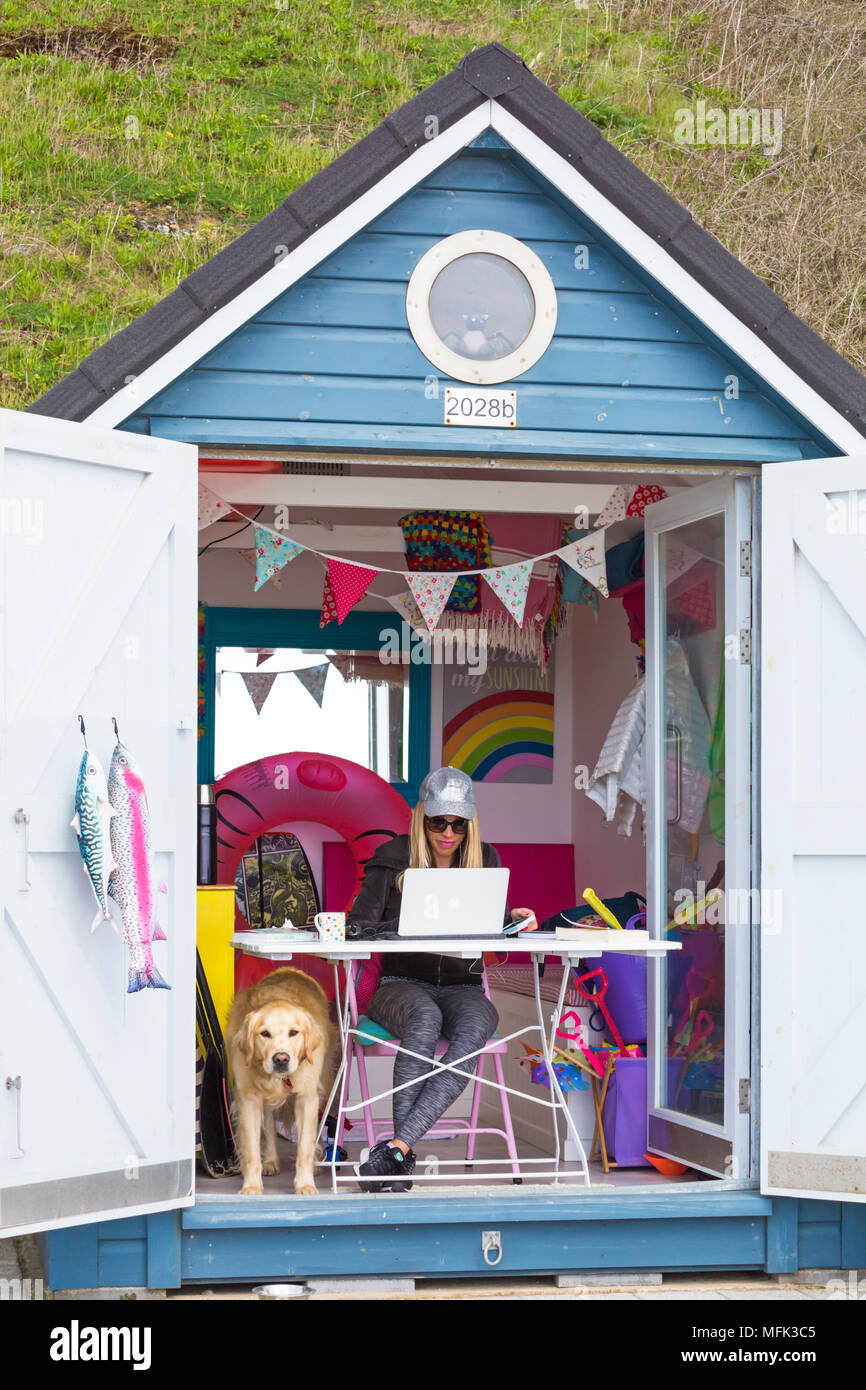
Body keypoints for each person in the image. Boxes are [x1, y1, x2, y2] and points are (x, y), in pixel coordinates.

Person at [346, 765, 536, 1192]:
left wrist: (510, 921)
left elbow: (488, 927)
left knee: (475, 1024)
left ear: (469, 822)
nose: (448, 832)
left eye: (457, 823)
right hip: (400, 984)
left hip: (464, 985)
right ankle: (400, 1153)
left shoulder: (486, 860)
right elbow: (358, 924)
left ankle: (397, 1150)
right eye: (437, 821)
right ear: (421, 818)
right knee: (425, 1019)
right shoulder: (393, 857)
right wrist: (408, 920)